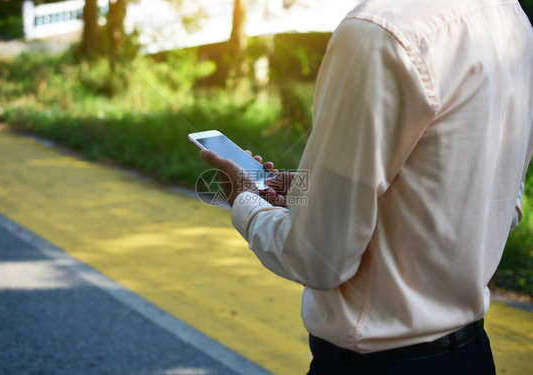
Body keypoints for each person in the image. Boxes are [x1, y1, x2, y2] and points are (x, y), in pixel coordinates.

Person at [199, 0, 533, 373]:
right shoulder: (511, 19)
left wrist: (245, 199)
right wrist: (322, 191)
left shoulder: (378, 32)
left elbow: (318, 259)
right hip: (472, 357)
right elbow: (501, 206)